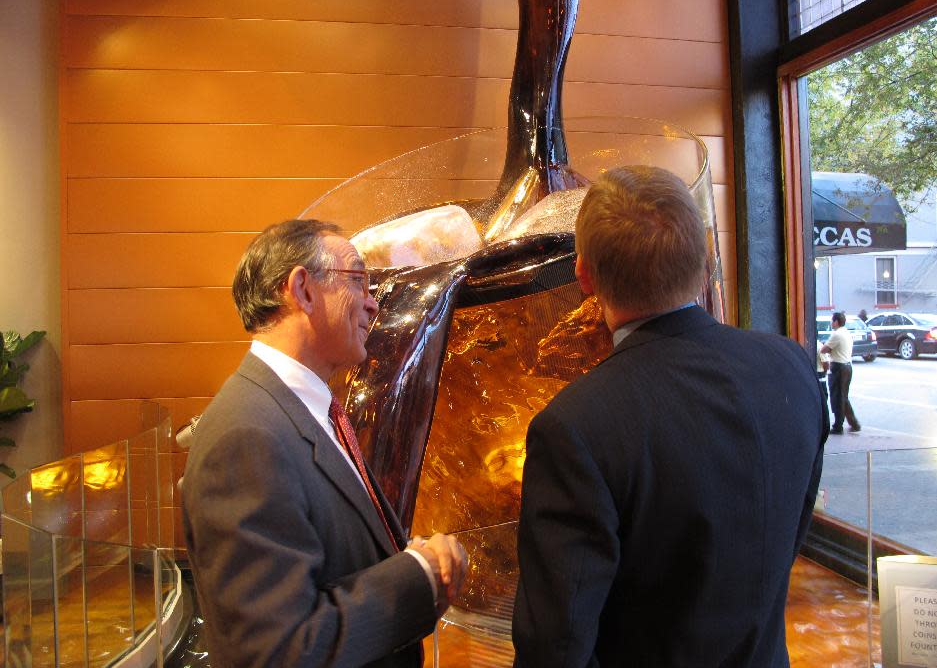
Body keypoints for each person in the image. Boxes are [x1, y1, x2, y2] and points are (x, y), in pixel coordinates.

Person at [512, 166, 829, 667]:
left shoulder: (573, 427)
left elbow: (555, 645)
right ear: (704, 263)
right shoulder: (793, 368)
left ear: (583, 276)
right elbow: (788, 535)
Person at [182, 219, 467, 668]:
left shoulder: (307, 411)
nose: (374, 305)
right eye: (359, 281)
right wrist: (419, 576)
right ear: (303, 290)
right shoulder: (245, 437)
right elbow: (277, 650)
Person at [821, 312, 861, 434]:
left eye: (832, 321)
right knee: (843, 396)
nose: (831, 323)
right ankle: (853, 423)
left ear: (836, 322)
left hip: (838, 367)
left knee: (837, 396)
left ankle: (838, 425)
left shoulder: (836, 334)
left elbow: (823, 349)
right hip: (848, 366)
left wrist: (828, 348)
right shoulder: (847, 333)